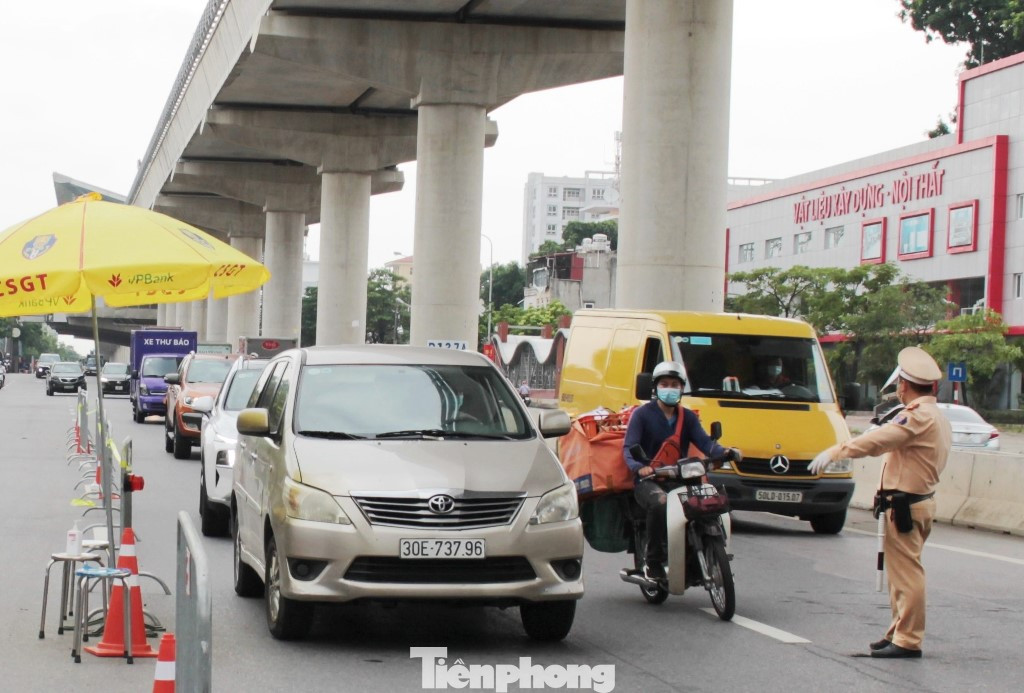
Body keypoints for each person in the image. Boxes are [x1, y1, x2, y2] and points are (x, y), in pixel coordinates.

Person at [808, 346, 950, 659]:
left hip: (906, 506)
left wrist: (836, 451)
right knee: (900, 576)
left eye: (899, 383)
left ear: (904, 384)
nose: (898, 388)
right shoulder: (933, 414)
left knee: (907, 576)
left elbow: (878, 441)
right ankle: (897, 632)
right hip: (909, 504)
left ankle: (908, 639)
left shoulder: (918, 416)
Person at [622, 361, 741, 579]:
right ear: (656, 388)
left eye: (674, 384)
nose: (670, 388)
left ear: (681, 388)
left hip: (681, 477)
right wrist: (640, 468)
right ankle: (653, 561)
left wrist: (725, 452)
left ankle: (706, 550)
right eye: (665, 384)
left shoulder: (688, 417)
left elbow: (706, 443)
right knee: (661, 504)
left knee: (708, 503)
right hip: (650, 481)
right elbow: (629, 447)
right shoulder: (642, 415)